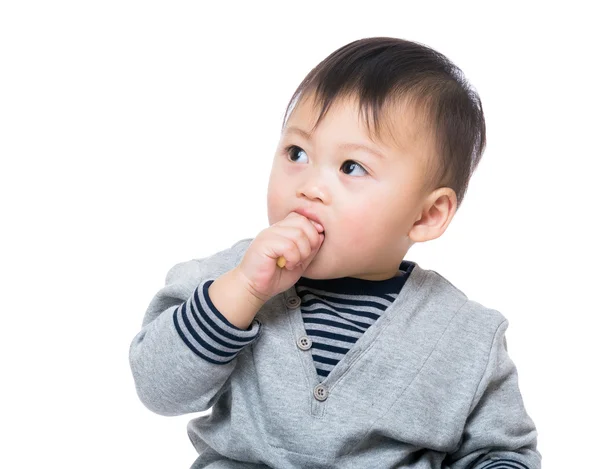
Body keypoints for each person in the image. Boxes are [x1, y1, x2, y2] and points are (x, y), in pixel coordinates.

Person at [129, 37, 541, 469]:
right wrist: (244, 291)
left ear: (426, 215)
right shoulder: (229, 280)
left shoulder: (465, 336)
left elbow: (502, 453)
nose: (309, 185)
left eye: (351, 167)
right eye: (297, 153)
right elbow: (157, 387)